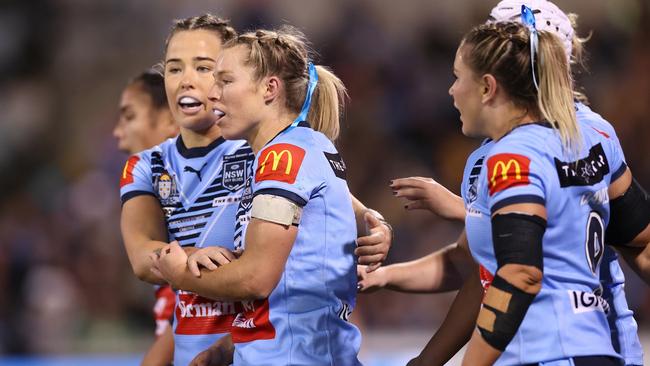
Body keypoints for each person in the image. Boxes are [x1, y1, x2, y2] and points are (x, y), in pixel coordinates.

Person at [360, 2, 650, 365]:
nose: (450, 90)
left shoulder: (512, 156)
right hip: (596, 344)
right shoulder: (592, 134)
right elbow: (487, 266)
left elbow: (517, 272)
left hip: (549, 348)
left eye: (459, 75)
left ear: (491, 82)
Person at [120, 15, 392, 366]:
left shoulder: (271, 151)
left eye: (209, 71)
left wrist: (376, 223)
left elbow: (260, 275)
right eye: (174, 69)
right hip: (229, 346)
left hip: (275, 349)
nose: (190, 81)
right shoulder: (148, 165)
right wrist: (189, 258)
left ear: (266, 85)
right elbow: (143, 258)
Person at [114, 70, 178, 366]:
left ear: (170, 119)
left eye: (129, 116)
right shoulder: (151, 182)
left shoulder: (202, 186)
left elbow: (205, 310)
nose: (117, 132)